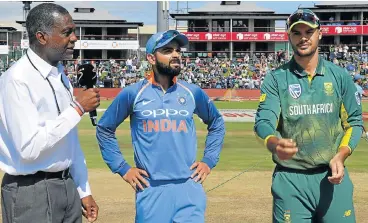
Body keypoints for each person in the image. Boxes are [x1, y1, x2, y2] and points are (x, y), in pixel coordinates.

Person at [96, 30, 225, 223]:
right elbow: (104, 129)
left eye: (177, 50)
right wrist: (122, 168)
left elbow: (217, 123)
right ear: (151, 58)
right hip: (151, 190)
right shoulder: (133, 94)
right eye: (167, 50)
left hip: (189, 187)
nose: (175, 55)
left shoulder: (192, 93)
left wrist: (208, 160)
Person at [254, 9, 363, 223]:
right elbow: (263, 122)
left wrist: (341, 155)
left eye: (309, 31)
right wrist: (275, 143)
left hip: (332, 178)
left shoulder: (340, 76)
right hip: (290, 180)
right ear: (289, 37)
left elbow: (354, 123)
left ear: (319, 34)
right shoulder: (276, 79)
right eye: (297, 33)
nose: (303, 37)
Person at [0, 3, 100, 223]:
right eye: (66, 32)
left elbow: (69, 140)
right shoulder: (17, 80)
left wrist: (83, 190)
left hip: (66, 186)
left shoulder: (60, 76)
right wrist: (77, 108)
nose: (74, 38)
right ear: (42, 37)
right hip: (30, 191)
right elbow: (28, 149)